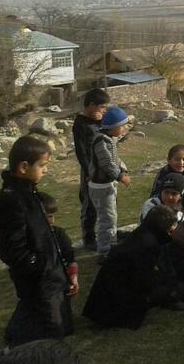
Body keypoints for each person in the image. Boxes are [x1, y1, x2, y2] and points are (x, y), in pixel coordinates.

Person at [0, 136, 71, 347]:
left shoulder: (27, 190)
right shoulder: (12, 199)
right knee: (50, 330)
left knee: (50, 319)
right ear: (24, 166)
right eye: (42, 166)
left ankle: (19, 341)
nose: (45, 170)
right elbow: (12, 246)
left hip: (46, 275)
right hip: (37, 278)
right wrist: (38, 265)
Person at [83, 205, 183, 329]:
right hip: (118, 304)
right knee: (167, 286)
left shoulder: (142, 233)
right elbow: (142, 281)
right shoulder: (148, 245)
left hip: (104, 298)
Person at [88, 107, 131, 258]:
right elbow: (107, 164)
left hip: (107, 185)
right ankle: (105, 252)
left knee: (111, 217)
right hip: (102, 187)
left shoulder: (109, 140)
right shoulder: (102, 141)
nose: (124, 128)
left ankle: (111, 245)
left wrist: (123, 170)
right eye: (122, 125)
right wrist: (120, 177)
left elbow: (116, 160)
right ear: (113, 127)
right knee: (107, 220)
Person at [72, 88, 109, 250]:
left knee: (106, 203)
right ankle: (88, 238)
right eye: (102, 107)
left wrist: (101, 121)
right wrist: (87, 172)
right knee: (89, 205)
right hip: (89, 170)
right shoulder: (80, 123)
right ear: (92, 105)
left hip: (103, 168)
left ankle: (106, 233)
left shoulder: (98, 121)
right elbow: (81, 151)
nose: (104, 110)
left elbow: (108, 134)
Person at [40, 193, 78, 337]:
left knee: (65, 329)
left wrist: (74, 278)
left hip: (58, 286)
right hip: (41, 288)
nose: (51, 220)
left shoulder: (59, 234)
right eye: (47, 216)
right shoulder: (28, 238)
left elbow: (71, 258)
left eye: (51, 216)